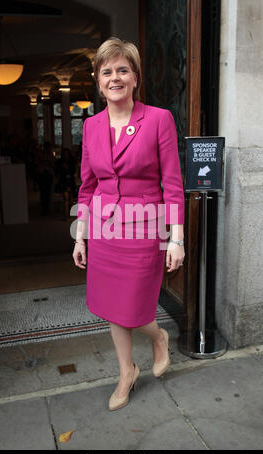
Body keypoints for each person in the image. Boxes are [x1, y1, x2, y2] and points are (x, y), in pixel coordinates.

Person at [73, 37, 185, 411]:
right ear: (98, 80)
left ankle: (158, 338)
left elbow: (172, 184)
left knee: (135, 306)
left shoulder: (158, 119)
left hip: (144, 228)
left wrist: (176, 238)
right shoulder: (90, 126)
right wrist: (80, 236)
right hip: (104, 230)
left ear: (135, 78)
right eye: (107, 72)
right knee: (110, 305)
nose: (115, 78)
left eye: (122, 70)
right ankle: (126, 371)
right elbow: (87, 186)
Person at [54, 147, 77, 220]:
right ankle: (66, 215)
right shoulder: (60, 162)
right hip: (63, 181)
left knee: (70, 198)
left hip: (70, 181)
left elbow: (73, 171)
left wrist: (67, 168)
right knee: (66, 197)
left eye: (67, 153)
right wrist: (63, 168)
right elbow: (57, 172)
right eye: (65, 154)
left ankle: (69, 212)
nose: (66, 155)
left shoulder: (72, 161)